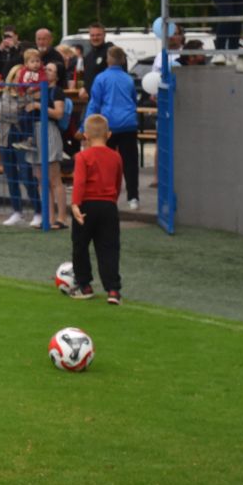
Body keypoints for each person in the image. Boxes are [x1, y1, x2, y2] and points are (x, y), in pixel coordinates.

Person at [69, 114, 125, 305]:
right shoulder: (116, 156)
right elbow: (118, 182)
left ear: (85, 136)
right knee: (109, 248)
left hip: (86, 206)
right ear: (108, 134)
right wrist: (112, 201)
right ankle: (113, 290)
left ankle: (84, 285)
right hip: (108, 206)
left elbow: (79, 182)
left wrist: (75, 204)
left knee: (80, 246)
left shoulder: (82, 156)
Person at [84, 46, 140, 210]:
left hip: (108, 125)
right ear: (122, 60)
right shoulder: (128, 79)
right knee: (130, 162)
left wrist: (85, 126)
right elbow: (133, 100)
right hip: (128, 124)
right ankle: (133, 197)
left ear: (108, 60)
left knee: (105, 162)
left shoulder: (101, 78)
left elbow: (94, 103)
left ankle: (107, 195)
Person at [0, 62, 41, 227]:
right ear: (11, 78)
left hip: (23, 140)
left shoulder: (29, 94)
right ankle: (17, 211)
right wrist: (15, 113)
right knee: (11, 177)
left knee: (27, 176)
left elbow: (10, 114)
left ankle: (38, 211)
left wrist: (6, 115)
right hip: (5, 138)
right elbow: (6, 113)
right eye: (17, 76)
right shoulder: (5, 94)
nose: (20, 80)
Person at [29, 62, 69, 229]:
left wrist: (39, 105)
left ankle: (62, 218)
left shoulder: (56, 91)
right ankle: (49, 218)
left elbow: (59, 114)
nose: (46, 71)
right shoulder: (35, 89)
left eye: (51, 70)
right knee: (40, 178)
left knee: (54, 178)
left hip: (49, 131)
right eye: (46, 68)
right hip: (35, 133)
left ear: (57, 76)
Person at [78, 23, 113, 101]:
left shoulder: (110, 52)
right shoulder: (88, 56)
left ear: (104, 35)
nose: (95, 38)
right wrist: (84, 87)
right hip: (92, 101)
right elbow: (87, 77)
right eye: (92, 35)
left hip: (107, 100)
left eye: (98, 35)